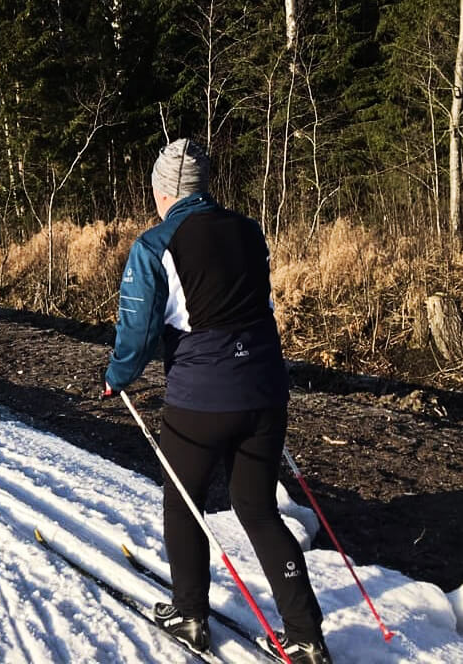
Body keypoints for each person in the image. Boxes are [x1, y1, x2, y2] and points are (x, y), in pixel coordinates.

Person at [103, 139, 329, 663]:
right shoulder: (249, 230)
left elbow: (136, 330)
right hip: (264, 392)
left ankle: (190, 613)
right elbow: (262, 305)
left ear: (162, 190)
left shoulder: (156, 244)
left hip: (200, 402)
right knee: (257, 508)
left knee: (184, 501)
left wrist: (116, 376)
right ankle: (306, 635)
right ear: (202, 186)